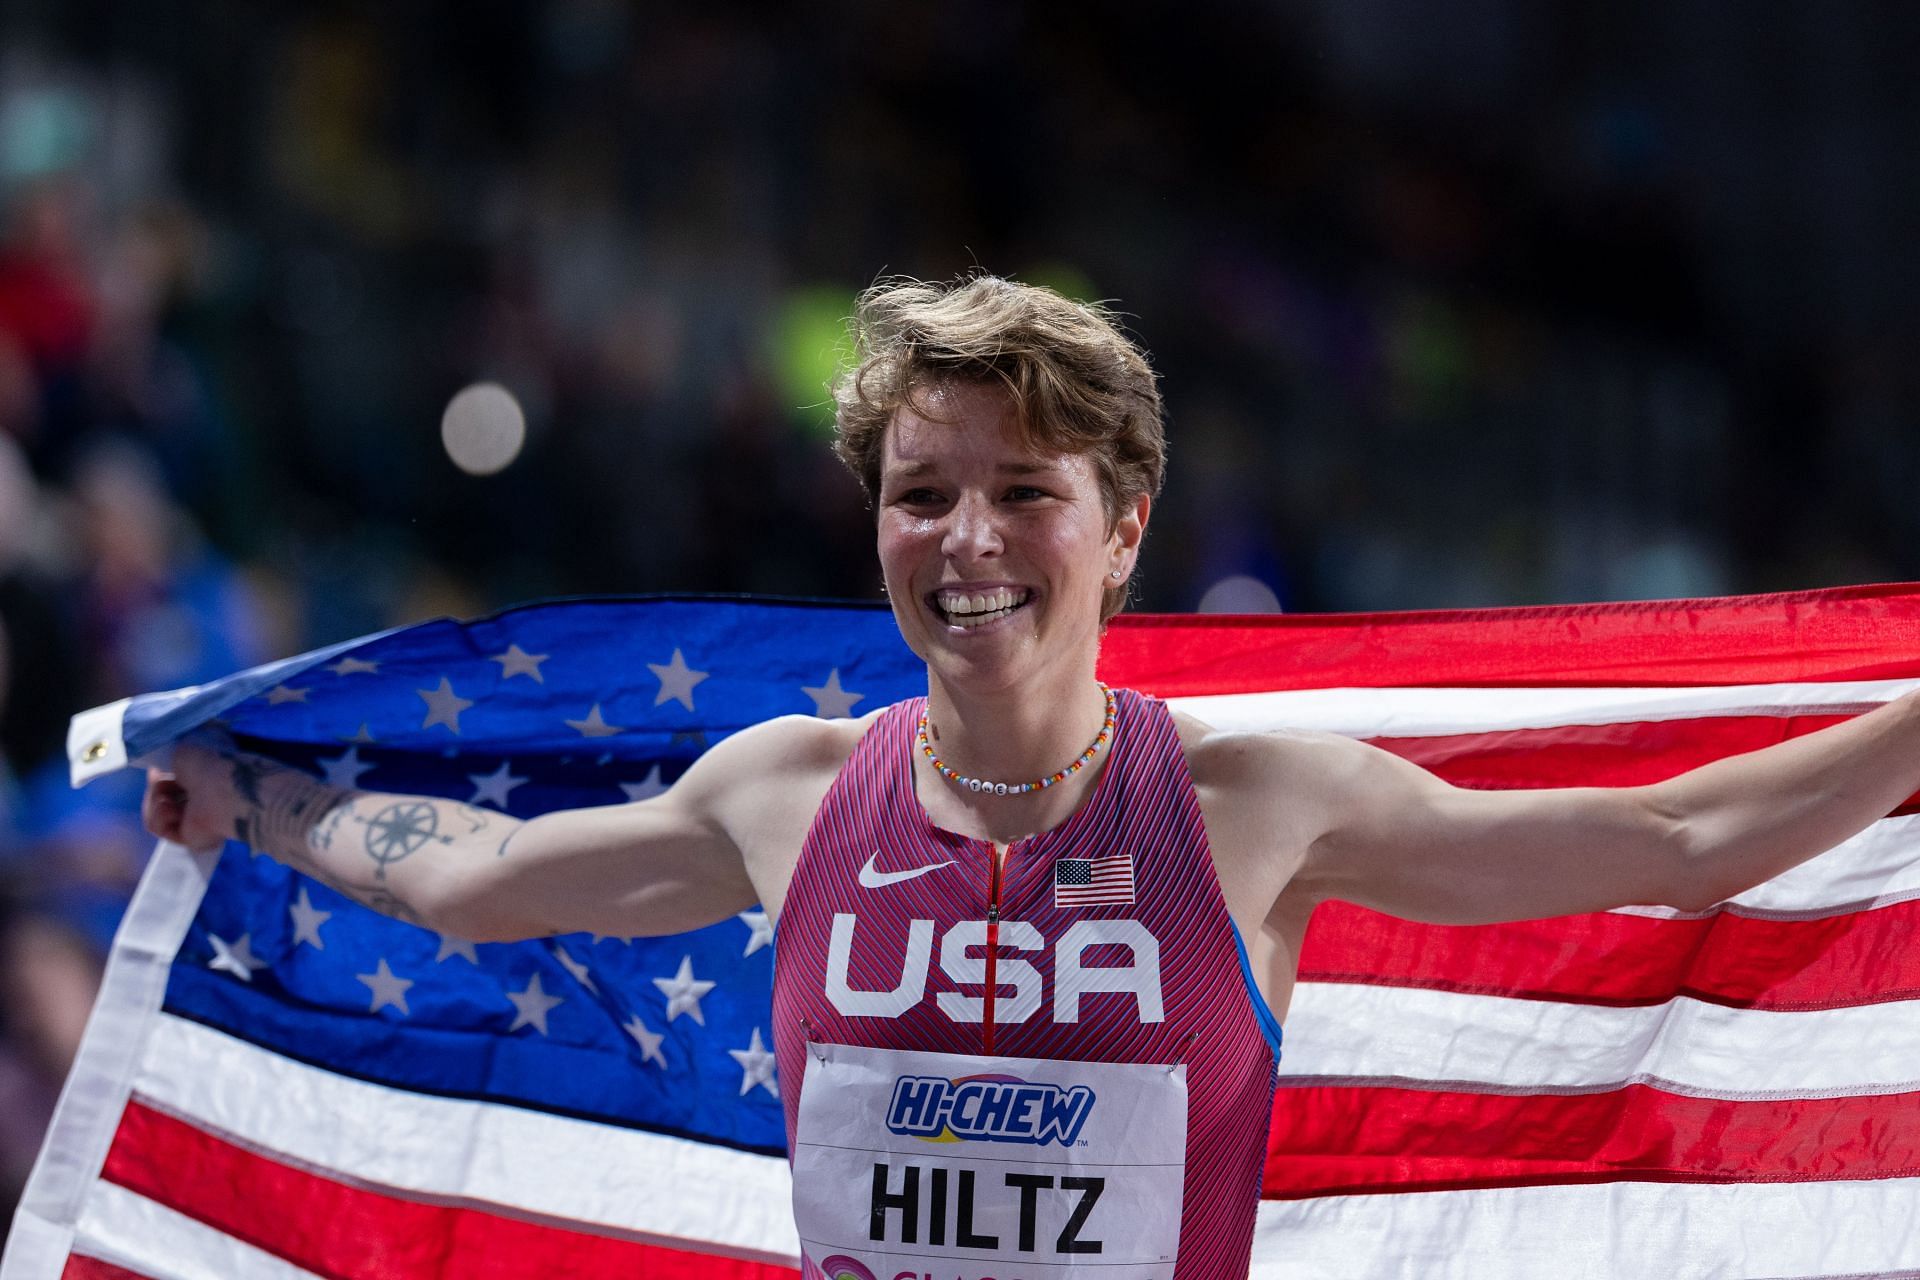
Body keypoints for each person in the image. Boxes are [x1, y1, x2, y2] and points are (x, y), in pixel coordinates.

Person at [144, 274, 1920, 1279]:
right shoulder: (788, 795)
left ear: (1123, 530)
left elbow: (1681, 842)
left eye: (1025, 494)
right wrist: (255, 807)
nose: (968, 540)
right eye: (923, 495)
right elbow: (465, 883)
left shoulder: (1252, 812)